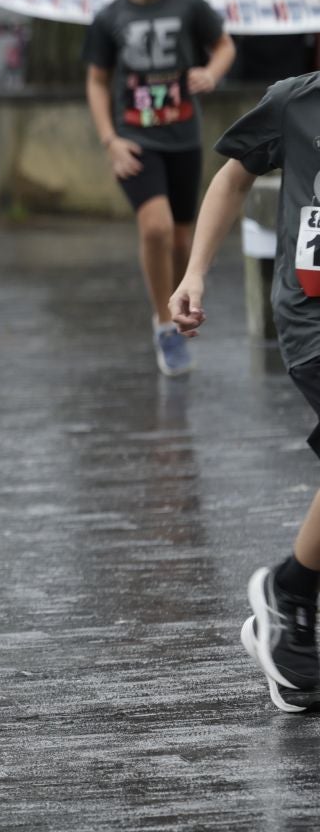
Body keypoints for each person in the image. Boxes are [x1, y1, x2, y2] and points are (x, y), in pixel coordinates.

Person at [174, 69, 320, 714]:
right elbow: (234, 173)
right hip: (314, 316)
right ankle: (291, 595)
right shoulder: (296, 102)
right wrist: (196, 273)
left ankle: (293, 610)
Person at [85, 0, 233, 378]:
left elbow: (225, 45)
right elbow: (96, 81)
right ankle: (164, 325)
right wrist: (110, 140)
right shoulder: (110, 18)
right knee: (156, 228)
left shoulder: (189, 6)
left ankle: (175, 301)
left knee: (182, 239)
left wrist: (210, 72)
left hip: (184, 139)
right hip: (135, 140)